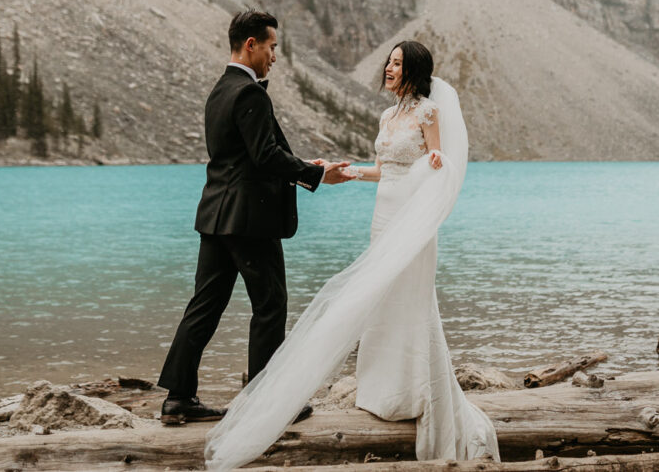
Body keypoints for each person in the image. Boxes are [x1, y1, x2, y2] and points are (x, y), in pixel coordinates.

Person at [204, 40, 499, 469]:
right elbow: (386, 168)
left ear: (414, 71)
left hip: (411, 217)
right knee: (382, 300)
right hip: (382, 215)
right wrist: (346, 172)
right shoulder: (387, 115)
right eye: (389, 61)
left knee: (413, 300)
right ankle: (381, 391)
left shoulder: (427, 113)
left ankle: (415, 391)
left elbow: (437, 159)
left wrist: (436, 161)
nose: (389, 68)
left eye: (398, 63)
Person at [157, 9, 354, 426]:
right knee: (270, 305)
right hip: (248, 221)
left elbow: (248, 156)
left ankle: (178, 399)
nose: (275, 56)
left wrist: (302, 164)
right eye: (272, 47)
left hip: (215, 216)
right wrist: (317, 173)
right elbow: (264, 157)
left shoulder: (219, 89)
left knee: (204, 306)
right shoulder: (250, 93)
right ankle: (266, 402)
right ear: (252, 45)